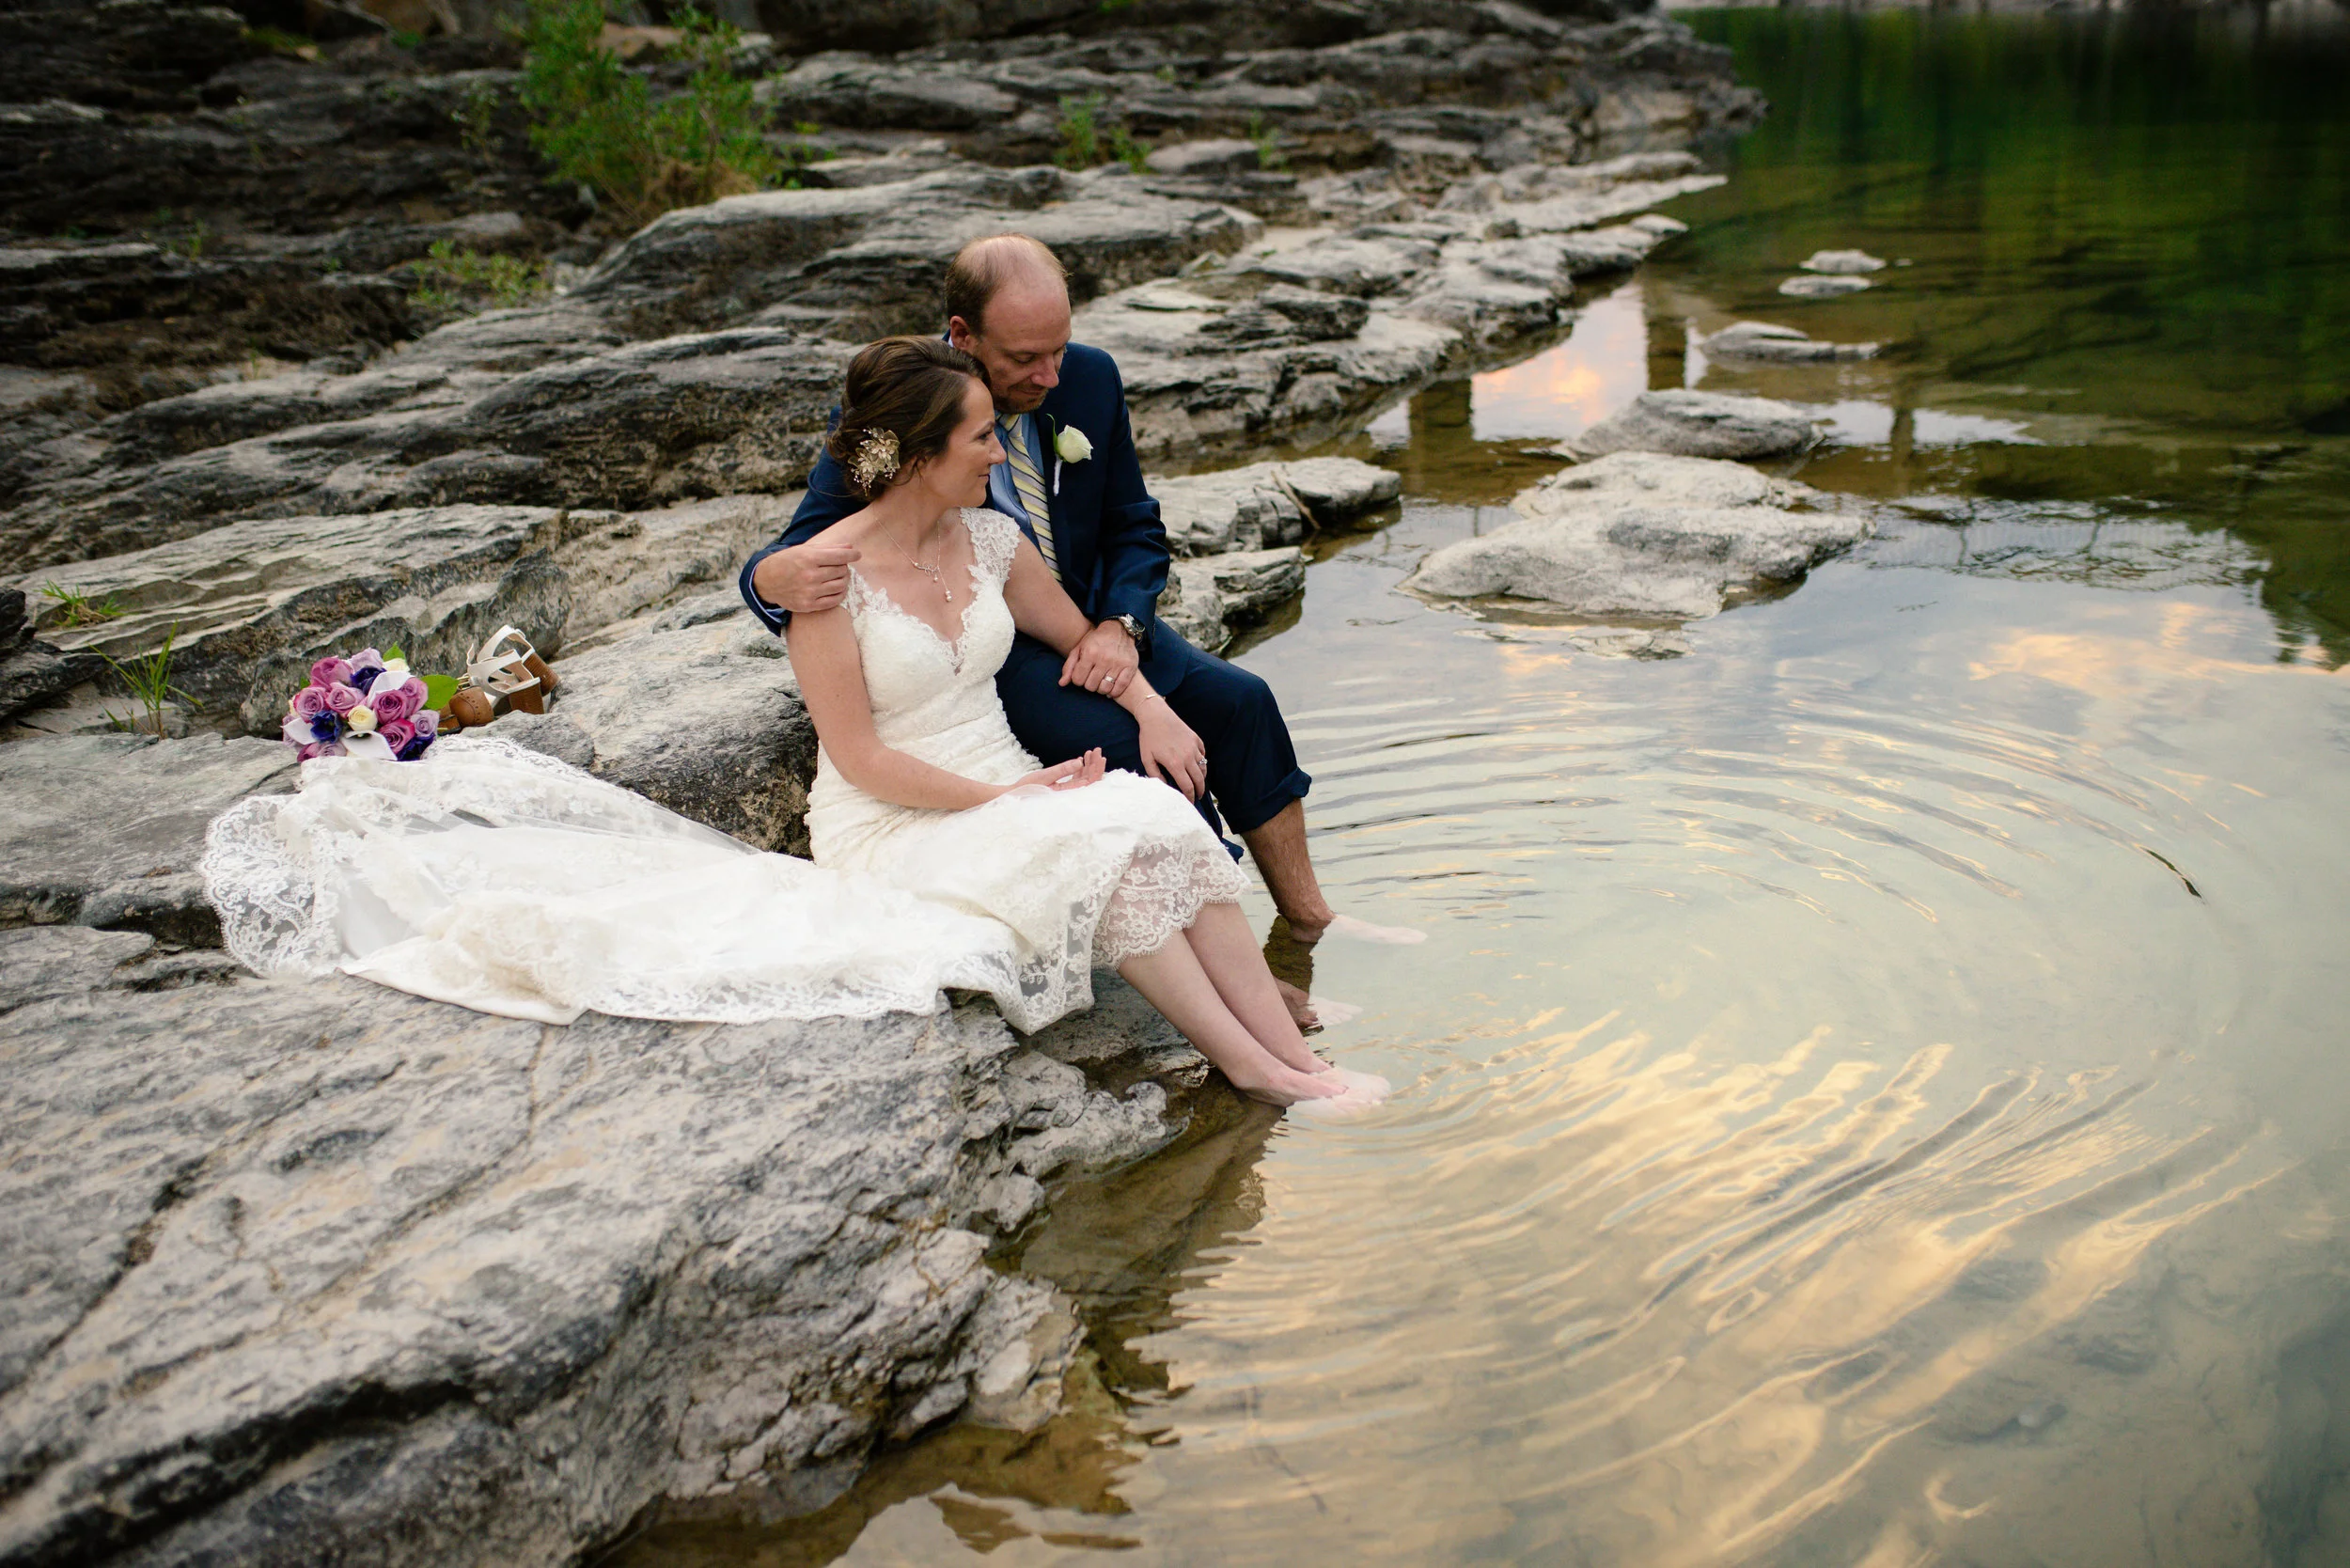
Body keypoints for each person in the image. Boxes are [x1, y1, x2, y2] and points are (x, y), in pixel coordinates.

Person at [202, 336, 1386, 1111]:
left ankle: (1290, 1046)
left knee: (1152, 815)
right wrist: (1011, 796)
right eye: (981, 435)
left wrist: (1151, 707)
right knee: (1099, 846)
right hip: (896, 817)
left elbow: (1085, 638)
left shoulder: (992, 539)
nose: (998, 448)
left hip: (1001, 782)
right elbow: (859, 757)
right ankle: (1256, 1070)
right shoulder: (823, 578)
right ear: (919, 454)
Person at [740, 235, 1422, 975]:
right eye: (1026, 358)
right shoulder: (907, 405)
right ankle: (1236, 967)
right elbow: (801, 548)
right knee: (1129, 747)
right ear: (964, 335)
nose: (1050, 375)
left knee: (1242, 701)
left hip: (1094, 620)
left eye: (1059, 348)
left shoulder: (1089, 378)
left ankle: (1308, 919)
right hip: (991, 647)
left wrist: (1119, 627)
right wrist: (767, 581)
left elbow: (1135, 524)